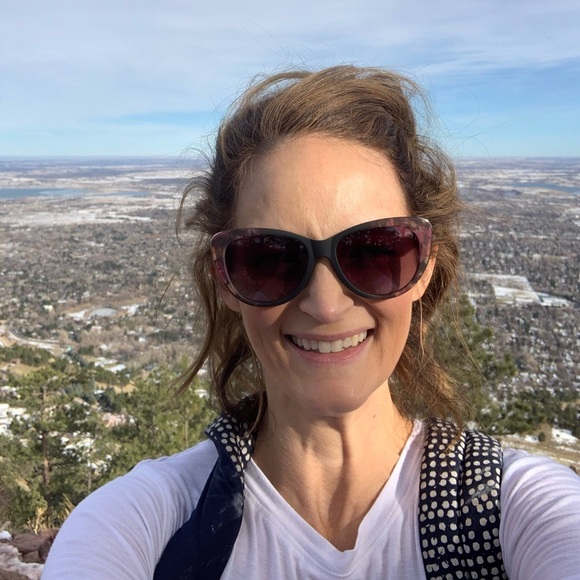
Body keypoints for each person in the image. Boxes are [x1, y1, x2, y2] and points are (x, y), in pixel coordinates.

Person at [42, 66, 580, 579]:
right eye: (269, 258)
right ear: (224, 279)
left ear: (423, 267)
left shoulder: (506, 509)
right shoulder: (153, 522)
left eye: (374, 251)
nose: (325, 305)